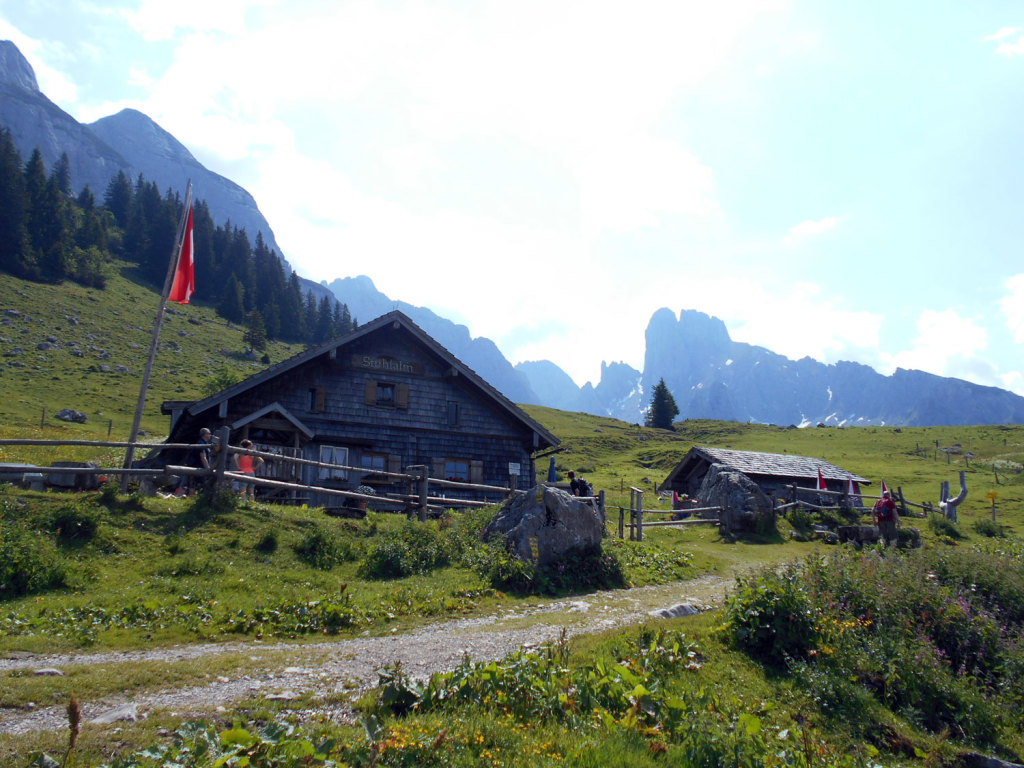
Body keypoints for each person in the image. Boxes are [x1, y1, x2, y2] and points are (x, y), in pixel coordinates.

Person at [175, 427, 212, 497]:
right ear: (204, 434)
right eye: (209, 433)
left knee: (193, 484)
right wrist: (208, 469)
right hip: (196, 467)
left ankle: (189, 497)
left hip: (198, 467)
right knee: (193, 484)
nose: (210, 435)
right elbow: (203, 457)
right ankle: (189, 498)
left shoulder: (205, 443)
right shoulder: (201, 444)